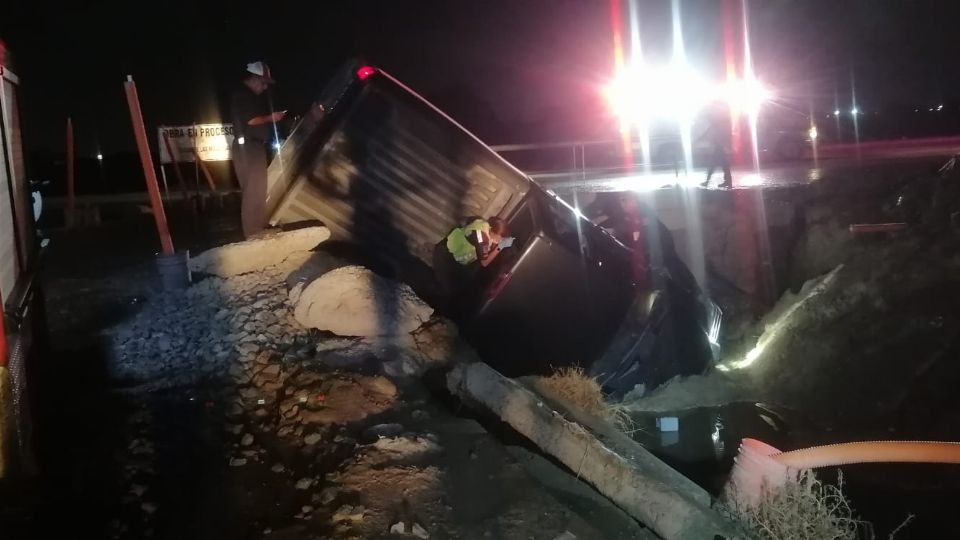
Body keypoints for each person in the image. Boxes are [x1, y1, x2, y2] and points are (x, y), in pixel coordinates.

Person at [230, 61, 286, 238]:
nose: (264, 88)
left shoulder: (247, 96)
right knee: (253, 190)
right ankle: (253, 232)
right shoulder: (242, 95)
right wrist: (272, 118)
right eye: (263, 83)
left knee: (258, 189)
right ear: (254, 79)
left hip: (252, 146)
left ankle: (259, 228)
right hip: (247, 147)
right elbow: (250, 121)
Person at [433, 216, 511, 314]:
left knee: (455, 290)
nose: (500, 241)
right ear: (493, 232)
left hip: (454, 258)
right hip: (445, 256)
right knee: (447, 290)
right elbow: (484, 262)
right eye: (500, 239)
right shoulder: (481, 237)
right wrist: (500, 247)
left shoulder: (485, 226)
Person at [699, 108, 733, 189]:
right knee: (724, 166)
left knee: (714, 165)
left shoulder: (716, 126)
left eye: (709, 119)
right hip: (719, 148)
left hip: (719, 148)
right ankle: (728, 182)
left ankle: (708, 182)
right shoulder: (715, 125)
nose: (708, 120)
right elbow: (706, 134)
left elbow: (719, 136)